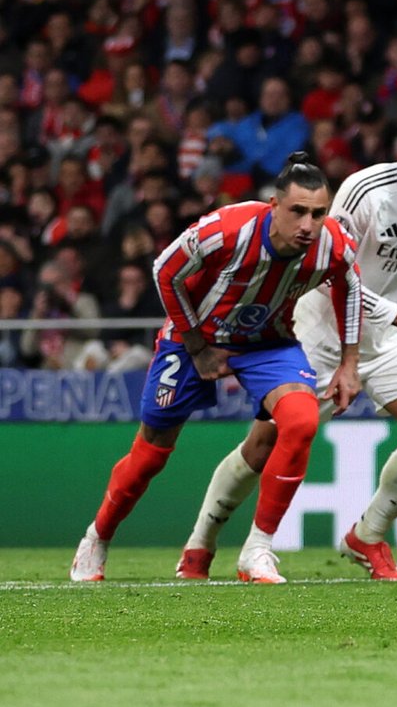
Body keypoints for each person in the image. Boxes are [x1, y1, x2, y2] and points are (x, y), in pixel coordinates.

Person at [177, 102, 397, 582]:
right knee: (264, 446)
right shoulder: (365, 190)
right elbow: (333, 272)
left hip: (388, 338)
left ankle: (367, 535)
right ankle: (201, 543)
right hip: (321, 330)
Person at [70, 155, 362, 582]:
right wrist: (196, 346)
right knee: (150, 456)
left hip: (268, 341)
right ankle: (98, 536)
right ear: (273, 205)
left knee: (300, 422)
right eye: (298, 211)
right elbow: (164, 271)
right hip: (195, 338)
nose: (308, 224)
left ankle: (257, 550)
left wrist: (349, 364)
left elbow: (350, 287)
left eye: (318, 213)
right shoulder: (227, 228)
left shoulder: (333, 244)